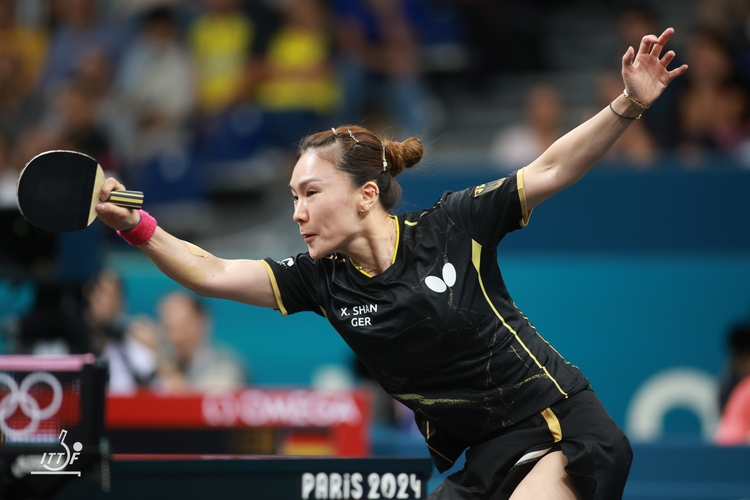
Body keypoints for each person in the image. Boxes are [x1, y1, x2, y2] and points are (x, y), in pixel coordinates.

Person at [95, 28, 688, 499]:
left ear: (366, 194)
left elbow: (553, 167)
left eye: (310, 194)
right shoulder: (321, 281)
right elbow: (211, 271)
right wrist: (136, 225)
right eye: (292, 198)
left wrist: (629, 103)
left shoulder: (454, 224)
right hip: (489, 454)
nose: (297, 213)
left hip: (562, 427)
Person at [152, 290, 247, 393]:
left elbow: (206, 402)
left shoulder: (228, 366)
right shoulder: (160, 359)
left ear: (200, 320)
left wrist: (168, 372)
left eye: (180, 324)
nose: (168, 320)